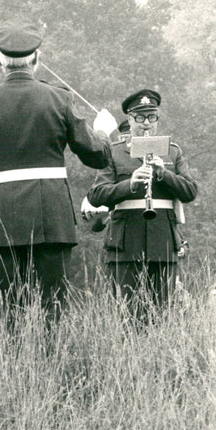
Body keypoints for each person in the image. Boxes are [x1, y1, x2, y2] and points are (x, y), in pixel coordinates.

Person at [0, 21, 117, 333]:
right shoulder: (59, 99)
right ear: (37, 58)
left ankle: (15, 376)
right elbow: (97, 156)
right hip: (52, 221)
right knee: (52, 314)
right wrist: (103, 132)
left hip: (2, 223)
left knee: (8, 318)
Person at [87, 89, 197, 322]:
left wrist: (164, 174)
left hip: (163, 243)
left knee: (164, 314)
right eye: (140, 118)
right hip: (126, 243)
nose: (146, 124)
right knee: (128, 315)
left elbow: (190, 191)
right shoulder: (115, 152)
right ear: (129, 119)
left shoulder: (172, 151)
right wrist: (129, 184)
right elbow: (96, 195)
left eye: (152, 117)